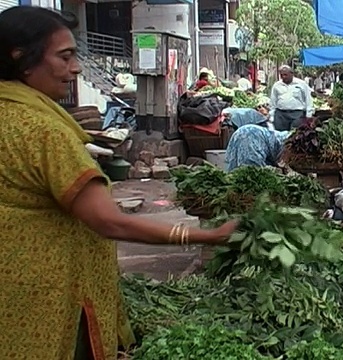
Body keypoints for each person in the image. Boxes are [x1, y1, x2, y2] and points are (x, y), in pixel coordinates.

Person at [0, 7, 237, 359]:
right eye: (64, 57)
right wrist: (205, 235)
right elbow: (108, 220)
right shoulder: (44, 131)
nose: (76, 68)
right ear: (21, 60)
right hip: (52, 292)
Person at [225, 124, 290, 171]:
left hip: (247, 133)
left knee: (236, 172)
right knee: (252, 173)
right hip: (252, 137)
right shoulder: (290, 144)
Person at [269, 65, 314, 131]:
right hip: (281, 115)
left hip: (297, 114)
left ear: (292, 74)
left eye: (285, 74)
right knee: (280, 135)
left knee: (295, 135)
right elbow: (273, 102)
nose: (284, 77)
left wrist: (309, 115)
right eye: (281, 75)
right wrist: (272, 116)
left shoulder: (301, 84)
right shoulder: (277, 85)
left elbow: (308, 99)